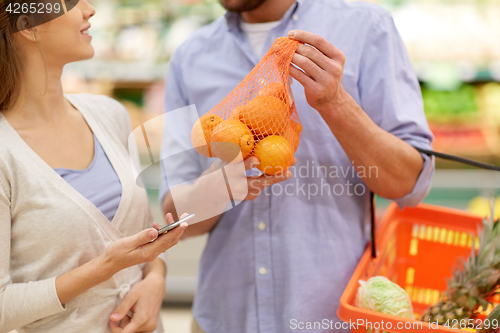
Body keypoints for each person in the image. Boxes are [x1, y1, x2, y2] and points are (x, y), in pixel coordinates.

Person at [160, 0, 434, 332]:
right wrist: (221, 187)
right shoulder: (190, 56)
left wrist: (336, 103)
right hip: (225, 317)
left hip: (334, 317)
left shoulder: (367, 28)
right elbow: (175, 214)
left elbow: (408, 185)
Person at [0, 1, 188, 332]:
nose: (89, 9)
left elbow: (143, 231)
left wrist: (156, 278)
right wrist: (105, 267)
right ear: (27, 24)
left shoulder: (107, 113)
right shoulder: (6, 153)